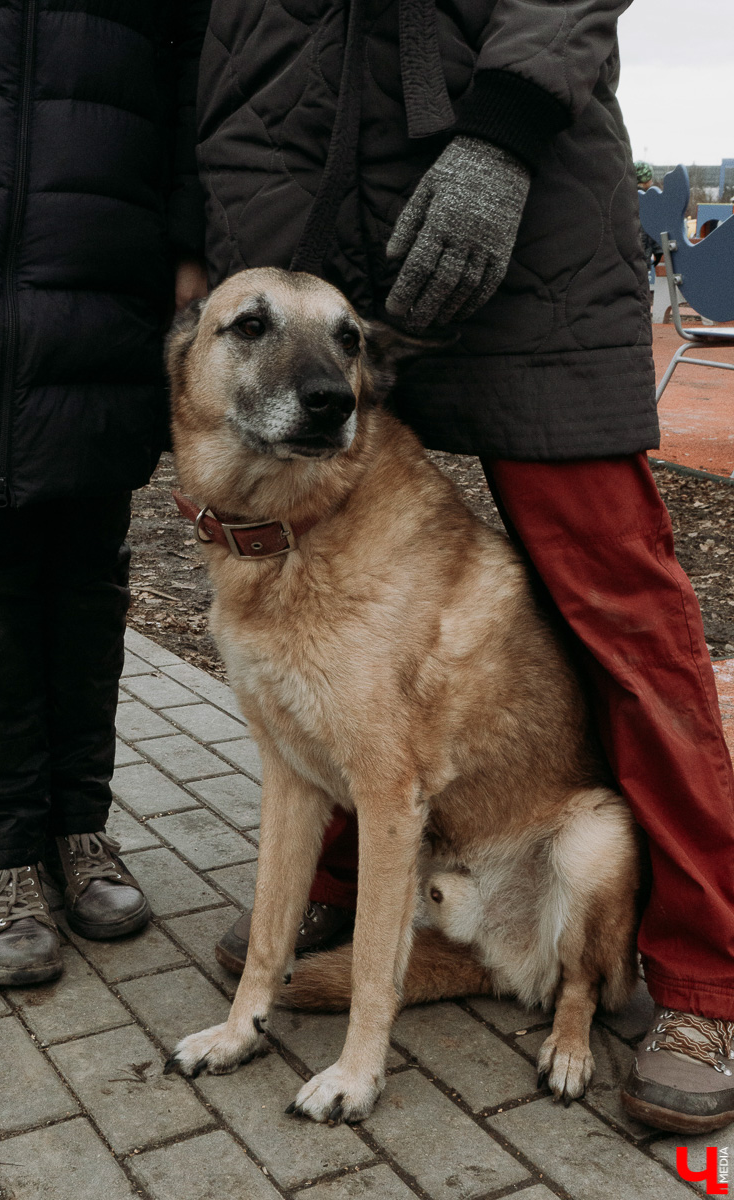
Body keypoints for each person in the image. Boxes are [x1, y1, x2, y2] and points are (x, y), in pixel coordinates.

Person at [189, 1, 734, 1134]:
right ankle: (346, 899)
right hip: (300, 219)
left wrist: (506, 129)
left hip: (507, 199)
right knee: (340, 631)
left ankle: (700, 979)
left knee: (616, 608)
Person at [0, 3, 208, 986]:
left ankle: (76, 831)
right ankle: (0, 861)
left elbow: (187, 97)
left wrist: (183, 254)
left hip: (102, 301)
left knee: (88, 591)